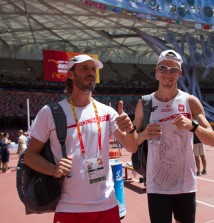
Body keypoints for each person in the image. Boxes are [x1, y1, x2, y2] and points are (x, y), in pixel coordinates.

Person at [24, 54, 138, 223]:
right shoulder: (50, 112)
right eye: (84, 68)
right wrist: (53, 169)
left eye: (93, 69)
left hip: (106, 205)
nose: (91, 72)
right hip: (69, 207)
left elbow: (132, 146)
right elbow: (29, 156)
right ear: (70, 74)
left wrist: (130, 129)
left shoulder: (107, 112)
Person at [133, 49, 214, 223]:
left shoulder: (190, 101)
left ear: (179, 73)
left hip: (185, 184)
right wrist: (143, 134)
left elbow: (212, 140)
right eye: (163, 68)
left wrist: (193, 126)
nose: (167, 73)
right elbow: (131, 145)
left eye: (173, 69)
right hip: (157, 185)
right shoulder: (144, 103)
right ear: (156, 72)